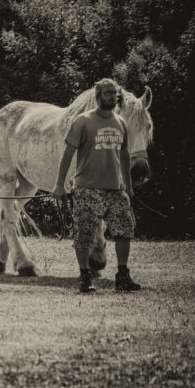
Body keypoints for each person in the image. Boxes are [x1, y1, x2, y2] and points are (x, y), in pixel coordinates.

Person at [52, 78, 141, 293]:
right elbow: (68, 154)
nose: (112, 96)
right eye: (107, 93)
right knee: (84, 234)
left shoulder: (120, 122)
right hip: (87, 187)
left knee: (125, 229)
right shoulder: (83, 121)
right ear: (97, 96)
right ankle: (84, 277)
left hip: (114, 188)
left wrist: (128, 186)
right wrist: (59, 185)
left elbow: (125, 154)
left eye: (114, 93)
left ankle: (122, 274)